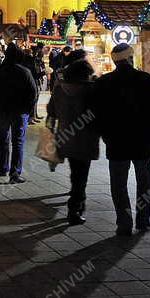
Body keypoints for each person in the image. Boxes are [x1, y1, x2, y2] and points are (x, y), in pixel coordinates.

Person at [91, 43, 150, 236]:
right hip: (142, 141)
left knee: (118, 184)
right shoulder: (146, 79)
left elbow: (96, 114)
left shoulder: (104, 82)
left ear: (115, 61)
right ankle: (143, 219)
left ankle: (124, 222)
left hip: (116, 142)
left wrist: (106, 136)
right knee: (144, 180)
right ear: (131, 58)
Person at [46, 58, 98, 224]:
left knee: (76, 174)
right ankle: (74, 209)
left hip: (65, 137)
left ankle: (76, 205)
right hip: (85, 139)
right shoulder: (90, 91)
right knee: (80, 176)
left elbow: (51, 110)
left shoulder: (60, 89)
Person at [0, 43, 37, 183]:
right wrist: (28, 109)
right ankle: (15, 172)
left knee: (3, 139)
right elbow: (33, 93)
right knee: (18, 141)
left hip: (3, 110)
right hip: (20, 111)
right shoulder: (24, 71)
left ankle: (3, 167)